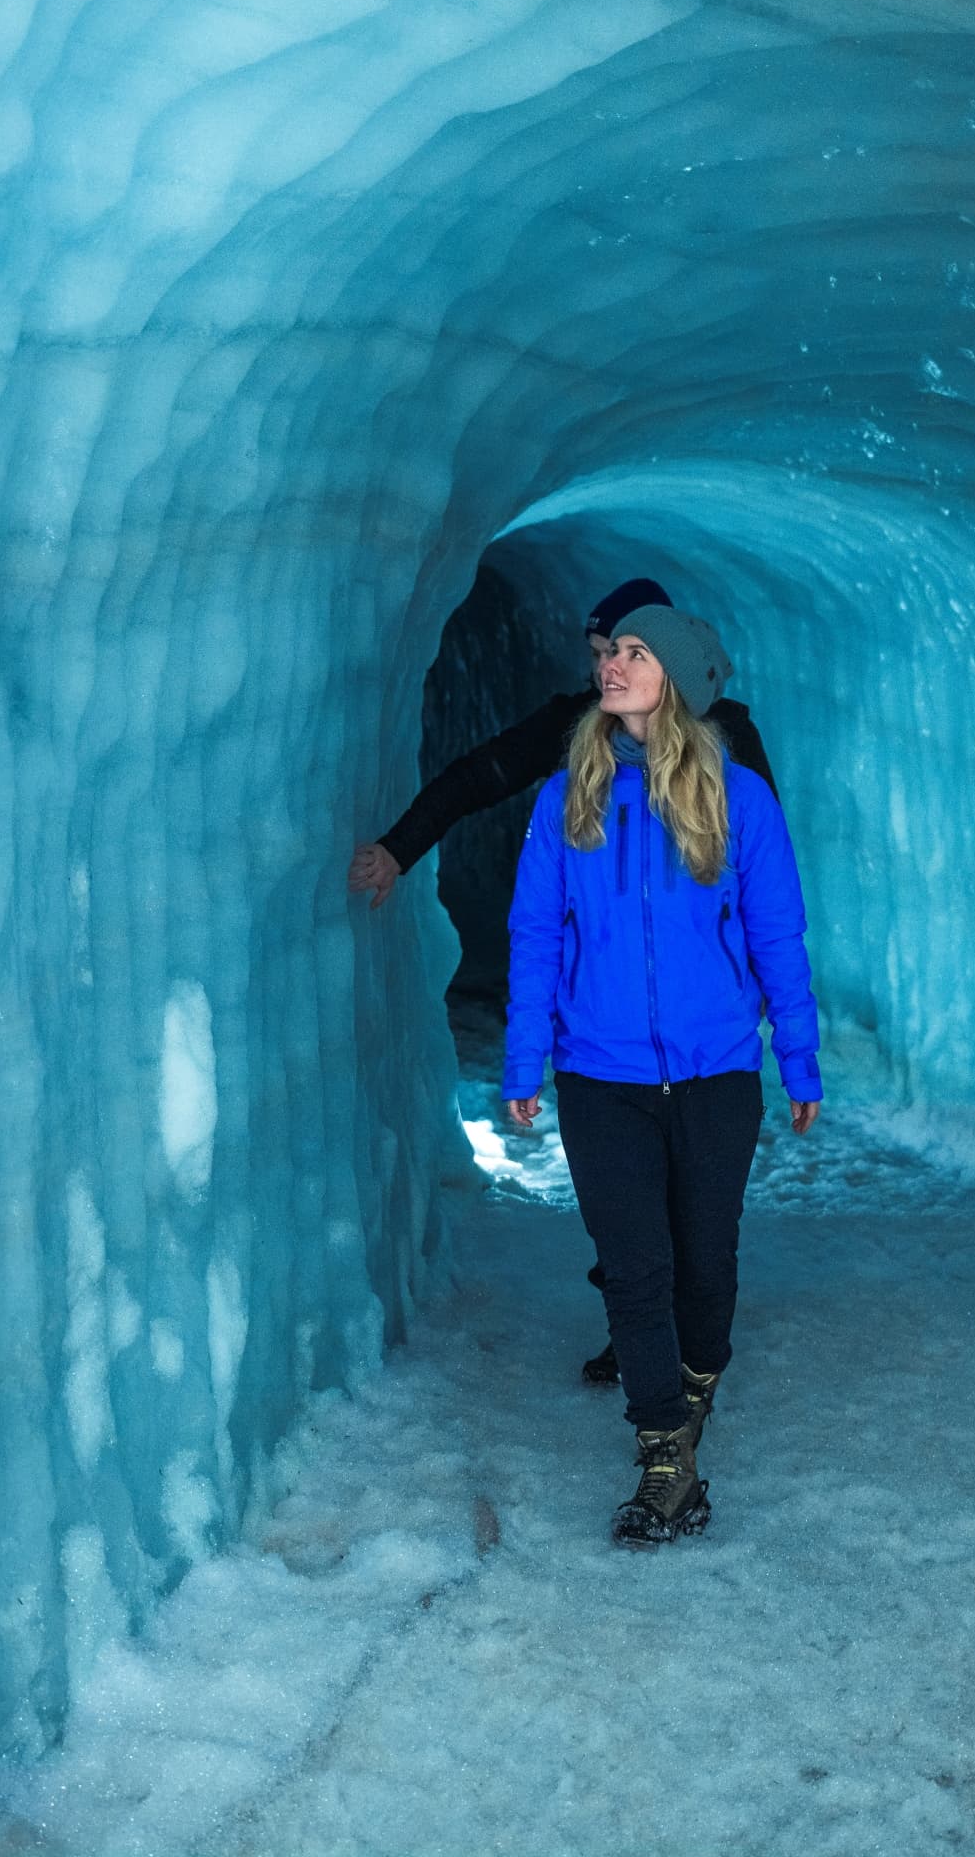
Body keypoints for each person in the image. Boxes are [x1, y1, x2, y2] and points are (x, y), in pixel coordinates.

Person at [349, 576, 781, 1387]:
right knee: (629, 1215)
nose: (602, 673)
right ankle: (642, 1336)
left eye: (618, 653)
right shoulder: (572, 730)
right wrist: (401, 848)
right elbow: (481, 775)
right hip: (606, 1038)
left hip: (702, 1040)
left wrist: (759, 1003)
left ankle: (682, 1358)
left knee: (697, 1227)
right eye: (595, 656)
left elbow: (761, 871)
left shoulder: (726, 742)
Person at [500, 605, 822, 1547]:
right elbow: (532, 938)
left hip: (717, 1070)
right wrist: (526, 1057)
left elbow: (777, 937)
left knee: (702, 1266)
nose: (614, 666)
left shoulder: (738, 799)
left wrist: (796, 1057)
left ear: (674, 679)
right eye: (613, 653)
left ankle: (696, 1378)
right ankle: (665, 1459)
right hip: (600, 1075)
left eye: (637, 655)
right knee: (635, 1268)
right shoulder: (569, 799)